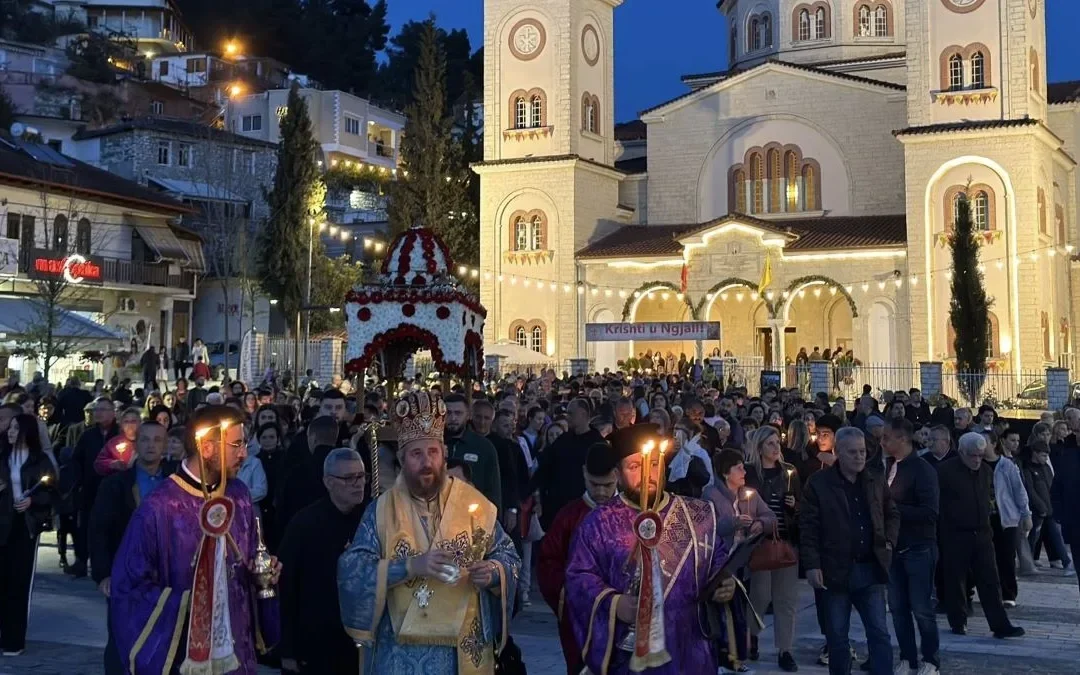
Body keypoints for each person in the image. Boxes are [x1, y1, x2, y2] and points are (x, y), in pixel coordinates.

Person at [338, 390, 520, 673]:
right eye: (416, 453)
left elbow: (508, 556)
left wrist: (494, 571)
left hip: (459, 654)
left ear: (444, 454)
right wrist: (410, 566)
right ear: (402, 458)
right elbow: (353, 570)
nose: (426, 462)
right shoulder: (381, 511)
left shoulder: (473, 504)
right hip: (399, 652)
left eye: (433, 452)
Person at [109, 405, 281, 673]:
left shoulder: (239, 494)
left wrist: (262, 572)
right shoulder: (160, 506)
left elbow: (247, 559)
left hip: (237, 651)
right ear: (207, 447)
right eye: (236, 445)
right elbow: (129, 586)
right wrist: (190, 604)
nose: (244, 454)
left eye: (244, 443)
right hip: (183, 656)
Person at [565, 424, 734, 675]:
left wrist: (726, 586)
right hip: (628, 657)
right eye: (635, 466)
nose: (647, 473)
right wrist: (615, 604)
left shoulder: (696, 515)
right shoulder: (599, 523)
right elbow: (579, 577)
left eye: (654, 464)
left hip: (690, 651)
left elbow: (718, 561)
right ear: (618, 474)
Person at [800, 427, 898, 675]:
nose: (859, 457)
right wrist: (812, 564)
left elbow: (891, 513)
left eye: (863, 451)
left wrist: (888, 542)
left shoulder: (875, 478)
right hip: (836, 571)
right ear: (838, 453)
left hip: (870, 567)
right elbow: (808, 526)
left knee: (879, 633)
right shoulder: (820, 483)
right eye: (853, 452)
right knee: (837, 637)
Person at [90, 421, 173, 674]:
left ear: (165, 445)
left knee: (164, 641)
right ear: (136, 444)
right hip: (124, 573)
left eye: (157, 440)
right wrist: (103, 573)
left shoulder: (176, 482)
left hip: (166, 575)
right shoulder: (115, 485)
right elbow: (99, 531)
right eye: (145, 439)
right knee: (120, 641)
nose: (151, 445)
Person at [279, 448, 367, 674]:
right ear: (328, 482)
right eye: (349, 478)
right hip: (316, 639)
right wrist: (287, 650)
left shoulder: (371, 519)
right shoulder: (304, 524)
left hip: (361, 637)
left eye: (361, 476)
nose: (358, 483)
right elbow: (287, 586)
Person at [537, 442, 619, 675]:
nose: (601, 492)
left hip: (621, 614)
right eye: (594, 484)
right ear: (584, 473)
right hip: (580, 617)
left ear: (618, 475)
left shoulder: (631, 514)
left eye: (607, 485)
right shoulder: (568, 516)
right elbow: (548, 561)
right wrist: (566, 591)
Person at [937, 433, 1024, 638]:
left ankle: (1000, 625)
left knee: (990, 580)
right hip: (955, 534)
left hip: (982, 533)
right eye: (972, 455)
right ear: (961, 452)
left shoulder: (985, 470)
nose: (977, 459)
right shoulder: (945, 471)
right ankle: (958, 621)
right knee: (956, 579)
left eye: (980, 455)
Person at [882, 418, 941, 675]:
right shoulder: (888, 467)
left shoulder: (923, 470)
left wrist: (893, 510)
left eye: (887, 437)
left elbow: (929, 511)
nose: (882, 442)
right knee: (897, 608)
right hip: (894, 548)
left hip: (918, 547)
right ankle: (907, 657)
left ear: (902, 439)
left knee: (921, 608)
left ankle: (931, 659)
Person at [743, 426, 801, 672]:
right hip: (760, 543)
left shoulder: (789, 472)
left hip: (785, 541)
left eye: (778, 442)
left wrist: (793, 506)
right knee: (759, 595)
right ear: (759, 447)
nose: (776, 447)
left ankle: (785, 649)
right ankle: (752, 636)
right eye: (770, 443)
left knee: (785, 600)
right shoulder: (750, 474)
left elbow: (801, 508)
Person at [0, 412, 57, 656]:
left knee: (18, 582)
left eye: (15, 428)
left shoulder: (39, 459)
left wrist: (33, 499)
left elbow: (52, 490)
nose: (11, 432)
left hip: (25, 526)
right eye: (9, 428)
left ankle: (13, 639)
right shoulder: (2, 455)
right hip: (2, 522)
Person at [534, 398, 604, 531]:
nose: (568, 417)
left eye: (571, 413)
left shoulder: (597, 443)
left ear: (582, 414)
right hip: (558, 508)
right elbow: (545, 468)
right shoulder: (563, 439)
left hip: (584, 509)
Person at [70, 397, 119, 578]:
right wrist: (78, 481)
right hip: (89, 487)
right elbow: (76, 460)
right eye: (96, 410)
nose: (98, 413)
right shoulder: (88, 435)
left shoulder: (120, 434)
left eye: (103, 409)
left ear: (113, 412)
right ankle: (81, 560)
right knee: (86, 526)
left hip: (113, 488)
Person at [983, 431, 1031, 607]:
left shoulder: (1006, 466)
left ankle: (1008, 593)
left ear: (994, 443)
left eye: (984, 441)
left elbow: (1019, 491)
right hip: (983, 518)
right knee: (986, 558)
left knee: (1006, 557)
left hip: (1006, 518)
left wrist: (1026, 514)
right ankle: (989, 592)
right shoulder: (976, 464)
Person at [444, 393, 503, 514]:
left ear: (468, 415)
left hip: (472, 515)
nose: (453, 418)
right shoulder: (433, 445)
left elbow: (493, 489)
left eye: (458, 413)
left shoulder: (484, 447)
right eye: (448, 413)